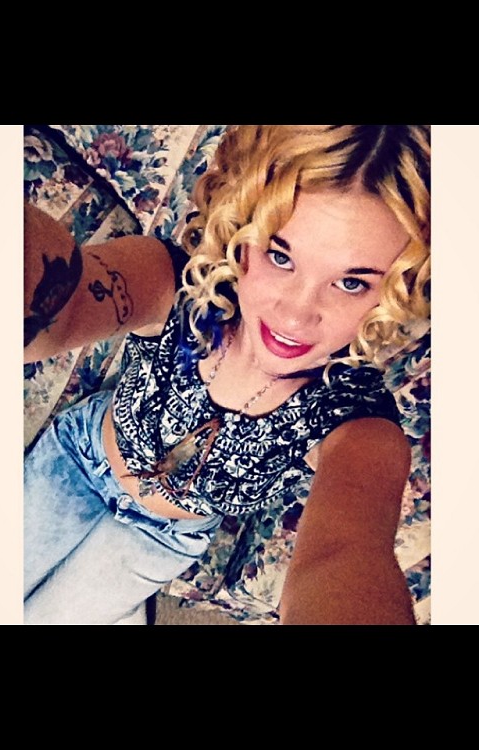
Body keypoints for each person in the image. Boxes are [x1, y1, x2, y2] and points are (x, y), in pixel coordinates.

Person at [24, 124, 430, 625]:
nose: (296, 314)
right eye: (280, 256)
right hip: (78, 461)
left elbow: (346, 555)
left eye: (351, 283)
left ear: (395, 290)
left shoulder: (358, 426)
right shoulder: (175, 285)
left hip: (161, 538)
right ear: (242, 233)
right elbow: (60, 305)